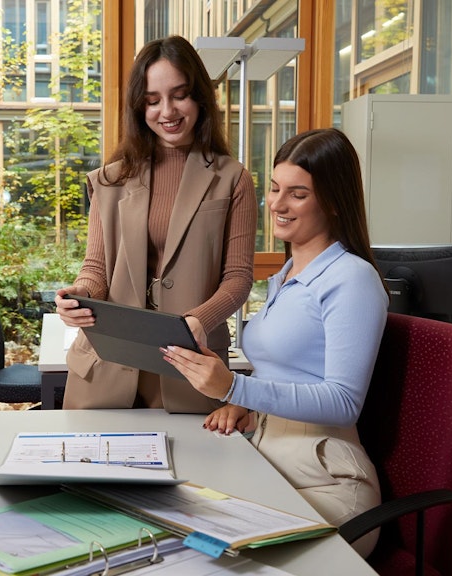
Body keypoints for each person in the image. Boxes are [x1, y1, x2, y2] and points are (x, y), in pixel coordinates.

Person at [161, 128, 388, 558]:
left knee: (201, 553)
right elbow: (287, 370)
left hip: (325, 478)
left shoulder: (352, 279)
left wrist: (233, 388)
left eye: (297, 194)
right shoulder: (285, 277)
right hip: (267, 455)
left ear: (335, 201)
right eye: (275, 188)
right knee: (171, 528)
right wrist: (243, 402)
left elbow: (343, 402)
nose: (277, 204)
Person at [54, 35, 257, 413]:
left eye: (179, 95)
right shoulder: (108, 181)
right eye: (152, 100)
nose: (167, 110)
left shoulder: (233, 179)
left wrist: (198, 320)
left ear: (199, 97)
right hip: (106, 368)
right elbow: (96, 268)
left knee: (198, 473)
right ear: (139, 106)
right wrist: (79, 296)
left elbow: (238, 278)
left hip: (192, 370)